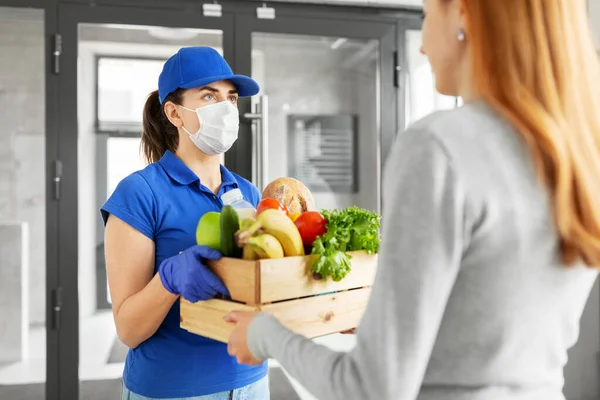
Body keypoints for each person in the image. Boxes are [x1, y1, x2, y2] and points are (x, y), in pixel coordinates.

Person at [225, 0, 600, 399]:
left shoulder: (437, 146)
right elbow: (493, 318)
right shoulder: (578, 154)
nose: (421, 45)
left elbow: (372, 388)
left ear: (462, 14)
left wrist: (266, 334)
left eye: (426, 14)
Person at [101, 46, 269, 399]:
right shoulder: (140, 193)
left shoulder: (249, 193)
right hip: (173, 388)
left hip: (252, 382)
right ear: (175, 113)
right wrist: (169, 279)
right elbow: (129, 330)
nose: (225, 108)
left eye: (231, 97)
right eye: (209, 96)